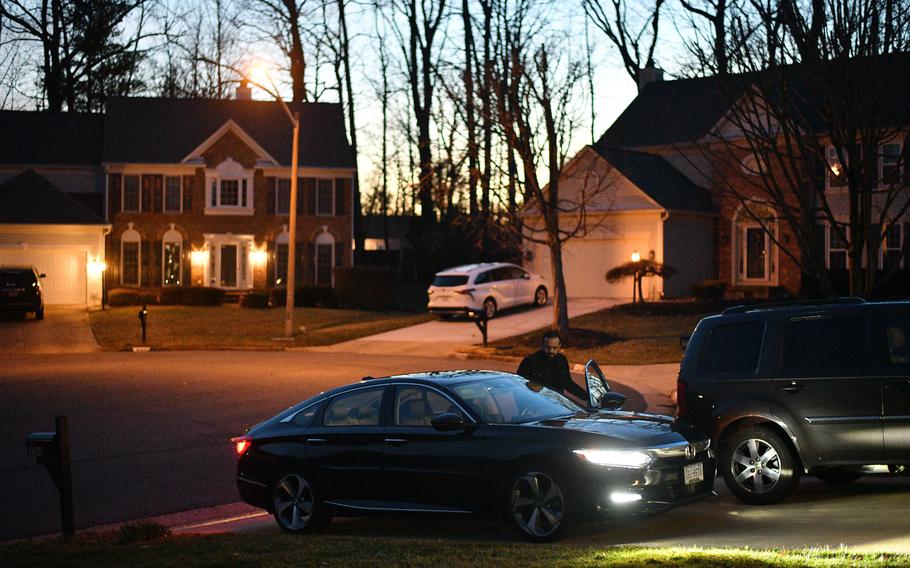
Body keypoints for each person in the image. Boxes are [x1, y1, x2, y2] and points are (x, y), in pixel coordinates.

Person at [516, 331, 587, 401]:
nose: (551, 351)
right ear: (542, 345)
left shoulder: (561, 360)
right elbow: (519, 387)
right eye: (548, 347)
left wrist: (586, 396)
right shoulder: (529, 361)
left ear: (559, 346)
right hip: (537, 403)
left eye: (555, 348)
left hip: (557, 403)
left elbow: (567, 383)